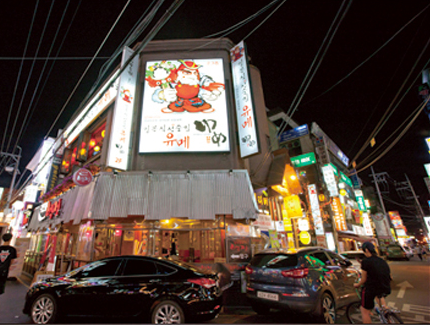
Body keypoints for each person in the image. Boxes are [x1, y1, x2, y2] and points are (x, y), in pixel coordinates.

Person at [354, 241, 391, 324]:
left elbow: (363, 279)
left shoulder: (366, 262)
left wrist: (357, 285)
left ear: (366, 250)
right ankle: (388, 318)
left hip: (371, 288)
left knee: (364, 311)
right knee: (381, 300)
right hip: (385, 286)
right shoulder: (382, 260)